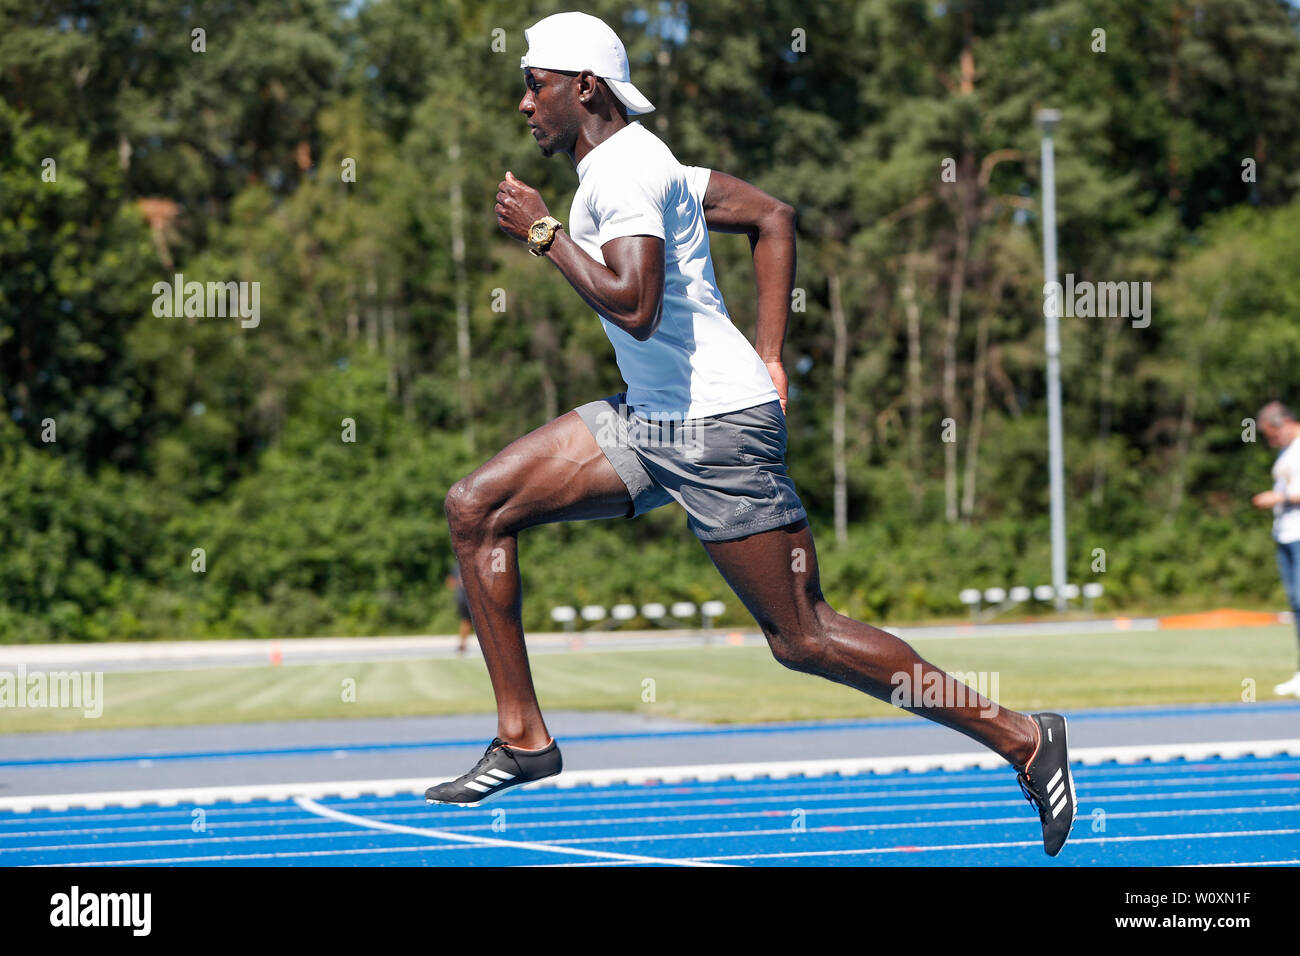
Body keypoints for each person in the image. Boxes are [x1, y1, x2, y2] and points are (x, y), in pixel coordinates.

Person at [424, 11, 1077, 855]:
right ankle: (524, 738)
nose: (523, 104)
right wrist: (770, 355)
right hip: (649, 415)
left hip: (713, 432)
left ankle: (1023, 737)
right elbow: (773, 215)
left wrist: (543, 234)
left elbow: (635, 300)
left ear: (582, 87)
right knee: (476, 508)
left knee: (804, 636)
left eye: (534, 84)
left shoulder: (622, 175)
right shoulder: (645, 165)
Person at [1251, 401, 1300, 697]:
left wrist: (1277, 499)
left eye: (1271, 435)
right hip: (1286, 535)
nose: (1270, 442)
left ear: (1282, 423)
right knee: (1297, 605)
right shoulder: (1287, 451)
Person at [445, 560, 474, 656]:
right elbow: (450, 582)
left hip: (474, 598)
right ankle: (462, 645)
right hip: (464, 598)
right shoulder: (457, 565)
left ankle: (462, 645)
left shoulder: (475, 562)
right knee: (466, 621)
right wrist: (460, 583)